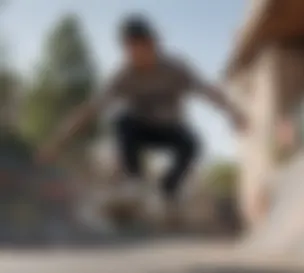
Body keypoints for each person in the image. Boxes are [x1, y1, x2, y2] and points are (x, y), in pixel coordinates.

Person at [38, 15, 247, 223]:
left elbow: (207, 91)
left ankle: (167, 190)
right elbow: (90, 109)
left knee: (192, 144)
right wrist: (58, 140)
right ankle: (134, 182)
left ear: (153, 44)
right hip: (141, 129)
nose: (136, 56)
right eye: (130, 50)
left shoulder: (175, 69)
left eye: (141, 48)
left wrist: (233, 112)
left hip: (170, 129)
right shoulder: (124, 76)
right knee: (121, 121)